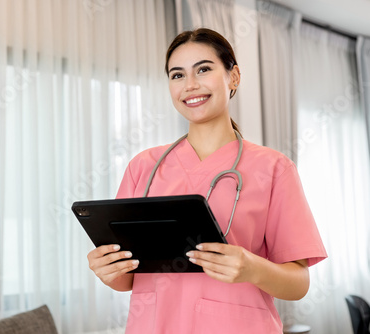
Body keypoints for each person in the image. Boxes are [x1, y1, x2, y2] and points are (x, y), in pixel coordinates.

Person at [86, 28, 327, 333]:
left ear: (234, 77)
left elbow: (298, 284)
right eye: (177, 75)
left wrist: (252, 268)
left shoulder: (274, 168)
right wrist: (107, 269)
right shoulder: (143, 167)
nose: (190, 85)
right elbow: (126, 281)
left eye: (203, 69)